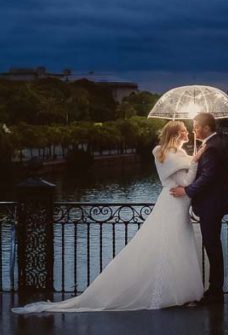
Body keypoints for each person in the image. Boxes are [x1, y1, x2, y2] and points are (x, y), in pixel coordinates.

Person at [12, 121, 205, 313]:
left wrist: (192, 160)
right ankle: (175, 293)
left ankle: (172, 291)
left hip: (173, 203)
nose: (187, 133)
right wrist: (195, 161)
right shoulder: (172, 155)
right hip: (174, 203)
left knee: (173, 246)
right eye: (184, 131)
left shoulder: (168, 153)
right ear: (176, 135)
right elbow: (186, 181)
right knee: (176, 245)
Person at [169, 112, 228, 303]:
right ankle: (215, 289)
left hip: (211, 204)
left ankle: (215, 292)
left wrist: (187, 191)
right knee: (212, 245)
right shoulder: (214, 143)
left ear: (207, 127)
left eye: (196, 126)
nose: (194, 130)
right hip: (213, 203)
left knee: (212, 247)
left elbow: (208, 177)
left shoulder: (212, 147)